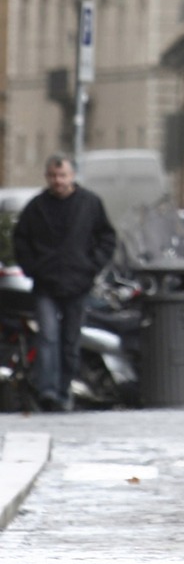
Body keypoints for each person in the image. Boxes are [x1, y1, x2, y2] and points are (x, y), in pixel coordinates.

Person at [14, 154, 118, 411]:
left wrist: (91, 266)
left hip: (78, 283)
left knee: (71, 341)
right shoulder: (37, 207)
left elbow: (106, 237)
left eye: (62, 176)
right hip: (46, 284)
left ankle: (63, 391)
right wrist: (32, 268)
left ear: (72, 176)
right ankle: (47, 392)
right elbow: (21, 239)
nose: (57, 181)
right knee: (48, 337)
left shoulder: (90, 204)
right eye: (52, 176)